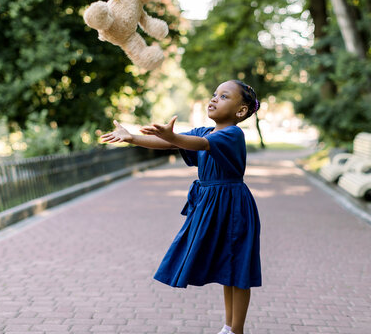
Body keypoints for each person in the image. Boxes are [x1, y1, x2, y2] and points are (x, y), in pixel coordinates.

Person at [100, 80, 262, 334]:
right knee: (227, 265)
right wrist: (132, 138)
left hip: (233, 208)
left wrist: (173, 136)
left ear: (240, 111)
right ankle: (228, 327)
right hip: (212, 205)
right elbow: (172, 144)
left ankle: (236, 330)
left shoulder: (232, 134)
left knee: (238, 267)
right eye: (214, 94)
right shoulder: (205, 131)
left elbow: (196, 145)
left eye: (224, 96)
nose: (214, 98)